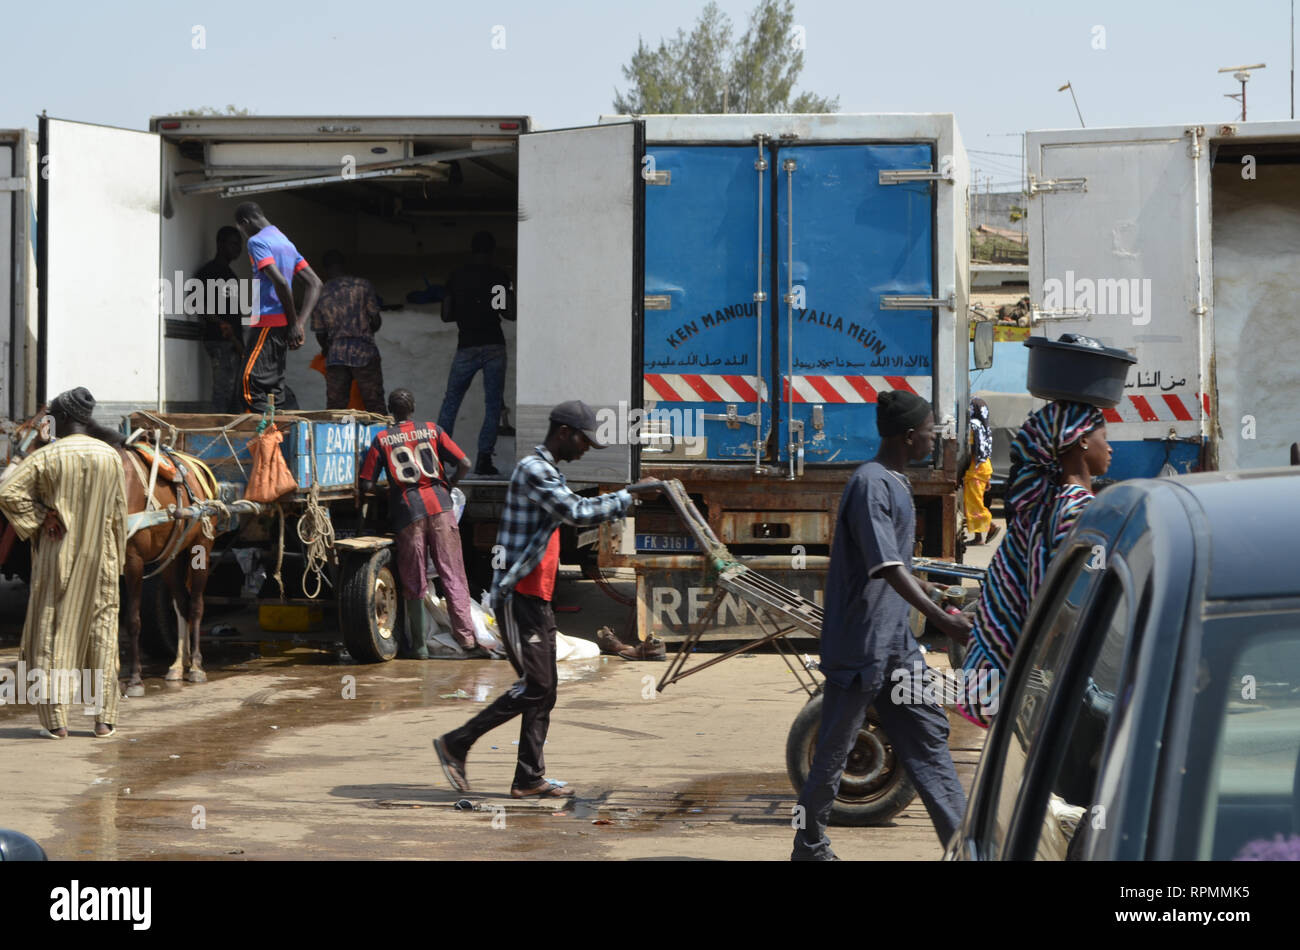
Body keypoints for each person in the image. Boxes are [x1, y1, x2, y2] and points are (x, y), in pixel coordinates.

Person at [434, 400, 659, 797]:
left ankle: (528, 779)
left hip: (536, 598)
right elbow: (575, 511)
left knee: (545, 688)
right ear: (563, 433)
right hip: (518, 598)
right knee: (537, 686)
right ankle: (457, 742)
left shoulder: (548, 471)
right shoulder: (534, 470)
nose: (585, 449)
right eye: (583, 441)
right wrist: (628, 496)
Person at [791, 390, 973, 861]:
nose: (937, 438)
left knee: (928, 740)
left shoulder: (896, 480)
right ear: (910, 436)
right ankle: (808, 846)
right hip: (861, 646)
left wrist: (942, 602)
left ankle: (968, 850)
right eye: (932, 430)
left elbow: (902, 568)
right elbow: (887, 567)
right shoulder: (871, 483)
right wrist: (943, 623)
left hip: (896, 646)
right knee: (833, 750)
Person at [957, 400, 1111, 727]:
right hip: (1069, 681)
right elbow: (1066, 604)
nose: (1109, 448)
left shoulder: (1053, 503)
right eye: (1104, 437)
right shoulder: (1077, 509)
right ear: (1082, 440)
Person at [0, 388, 127, 739]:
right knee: (102, 633)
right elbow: (118, 511)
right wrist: (117, 558)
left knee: (53, 629)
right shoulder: (111, 456)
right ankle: (104, 721)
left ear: (62, 419)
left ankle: (58, 723)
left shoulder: (47, 457)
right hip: (102, 557)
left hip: (60, 554)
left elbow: (8, 493)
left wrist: (42, 516)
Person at [358, 389, 480, 659]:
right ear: (413, 408)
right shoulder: (432, 429)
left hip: (407, 512)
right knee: (453, 574)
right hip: (441, 507)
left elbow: (365, 483)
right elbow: (464, 462)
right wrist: (447, 485)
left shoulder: (382, 439)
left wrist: (390, 493)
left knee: (415, 578)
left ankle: (420, 648)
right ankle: (468, 640)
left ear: (391, 411)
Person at [437, 231, 514, 476]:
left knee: (451, 401)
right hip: (493, 345)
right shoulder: (499, 276)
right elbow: (510, 313)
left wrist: (466, 308)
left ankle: (438, 455)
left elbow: (446, 315)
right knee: (492, 405)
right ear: (492, 252)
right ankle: (483, 460)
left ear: (472, 250)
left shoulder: (456, 276)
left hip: (466, 345)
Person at [234, 201, 322, 412]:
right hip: (281, 326)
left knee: (248, 383)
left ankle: (268, 434)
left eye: (242, 229)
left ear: (245, 222)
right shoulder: (285, 242)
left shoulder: (257, 242)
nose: (244, 234)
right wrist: (299, 324)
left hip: (267, 322)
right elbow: (315, 283)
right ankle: (279, 435)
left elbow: (281, 282)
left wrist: (294, 324)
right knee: (273, 385)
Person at [312, 249, 385, 414]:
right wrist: (365, 333)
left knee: (335, 410)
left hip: (335, 355)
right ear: (344, 265)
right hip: (364, 351)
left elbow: (320, 333)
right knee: (375, 405)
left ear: (324, 268)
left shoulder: (320, 293)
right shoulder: (363, 286)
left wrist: (328, 347)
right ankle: (382, 438)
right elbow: (376, 320)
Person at [194, 226, 245, 412]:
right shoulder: (208, 272)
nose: (237, 248)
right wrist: (220, 323)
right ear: (220, 244)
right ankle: (219, 432)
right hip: (219, 340)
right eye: (233, 244)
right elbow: (196, 304)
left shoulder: (231, 275)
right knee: (223, 391)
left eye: (239, 244)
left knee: (234, 393)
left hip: (232, 342)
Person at [964, 397, 999, 546]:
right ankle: (978, 537)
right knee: (975, 502)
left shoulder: (973, 425)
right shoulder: (985, 427)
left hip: (975, 469)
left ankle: (991, 526)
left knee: (974, 504)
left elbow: (972, 450)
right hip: (984, 468)